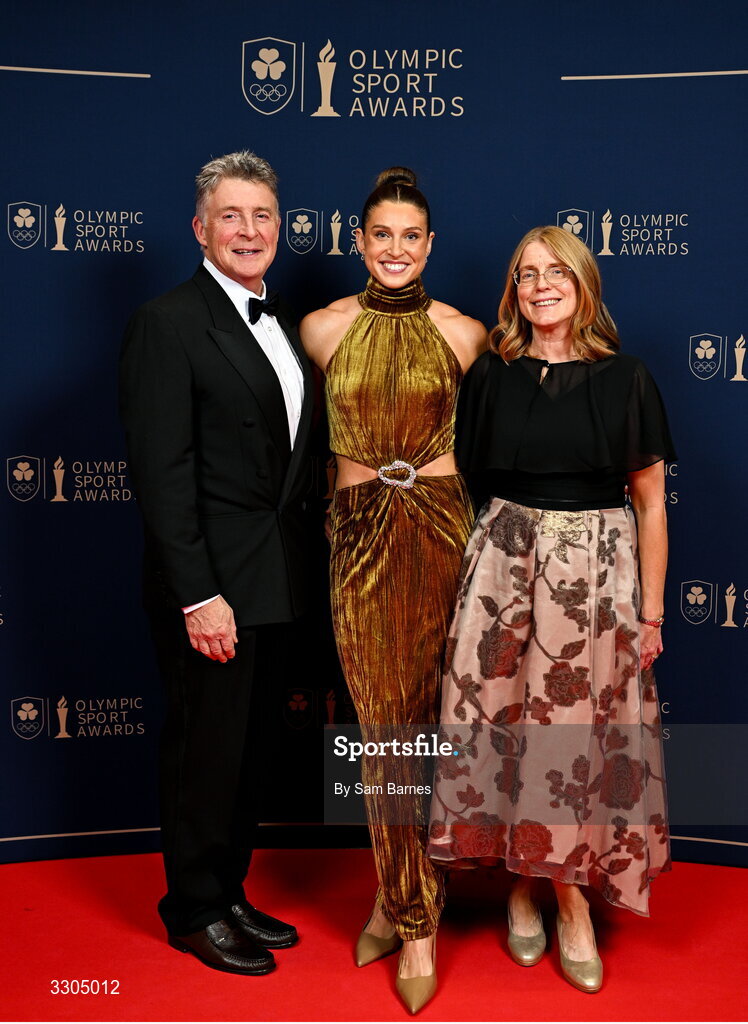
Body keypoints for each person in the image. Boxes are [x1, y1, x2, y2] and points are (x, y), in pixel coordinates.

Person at [428, 225, 674, 994]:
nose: (539, 285)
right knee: (501, 729)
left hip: (593, 580)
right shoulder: (492, 377)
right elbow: (464, 480)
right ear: (513, 289)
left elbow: (652, 504)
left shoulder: (625, 376)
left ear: (583, 283)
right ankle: (522, 886)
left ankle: (567, 898)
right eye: (525, 273)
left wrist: (653, 613)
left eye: (554, 272)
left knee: (567, 740)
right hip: (501, 567)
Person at [119, 151, 313, 975]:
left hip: (277, 580)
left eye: (261, 215)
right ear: (200, 229)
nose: (248, 230)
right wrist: (200, 596)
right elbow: (162, 477)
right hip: (214, 589)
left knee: (251, 751)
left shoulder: (281, 322)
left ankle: (229, 890)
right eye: (230, 216)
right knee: (205, 749)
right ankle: (193, 908)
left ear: (280, 228)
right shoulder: (168, 323)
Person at [300, 167, 485, 1013]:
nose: (397, 249)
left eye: (412, 236)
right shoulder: (322, 328)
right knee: (381, 730)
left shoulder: (466, 334)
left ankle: (407, 908)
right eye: (383, 235)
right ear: (360, 240)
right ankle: (407, 909)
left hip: (443, 529)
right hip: (358, 532)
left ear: (430, 244)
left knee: (434, 726)